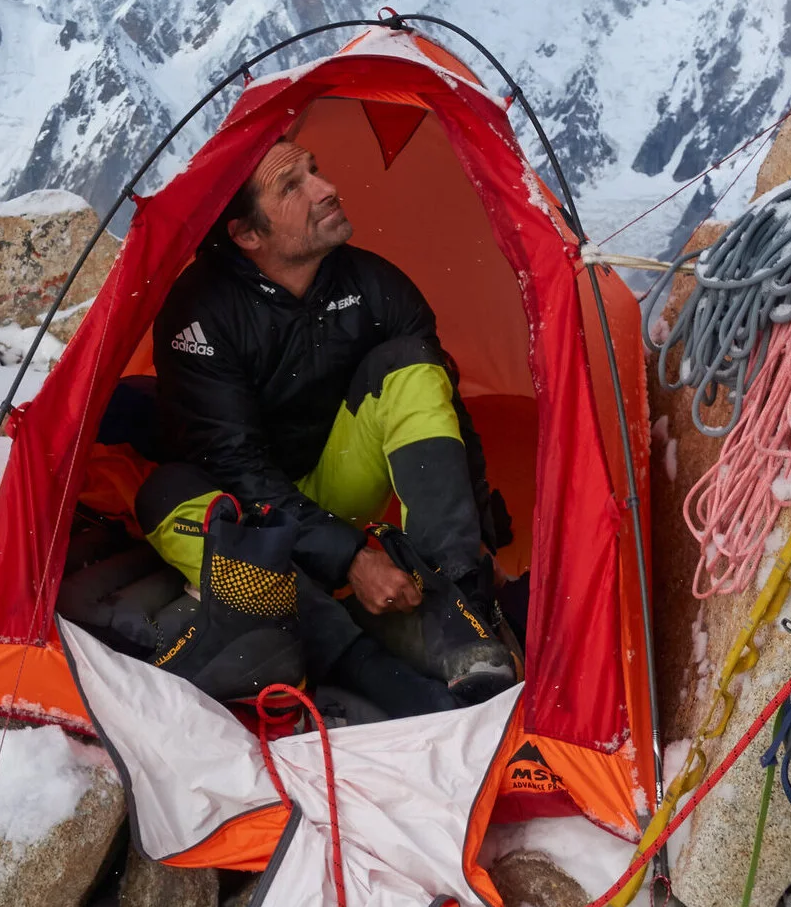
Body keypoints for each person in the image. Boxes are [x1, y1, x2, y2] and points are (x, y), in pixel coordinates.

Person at [135, 137, 518, 717]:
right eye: (293, 185)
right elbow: (232, 464)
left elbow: (446, 420)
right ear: (246, 234)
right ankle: (376, 669)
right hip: (246, 508)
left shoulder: (377, 288)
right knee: (167, 496)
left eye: (315, 168)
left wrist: (481, 546)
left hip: (335, 486)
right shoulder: (201, 313)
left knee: (411, 365)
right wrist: (350, 558)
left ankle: (458, 608)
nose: (327, 187)